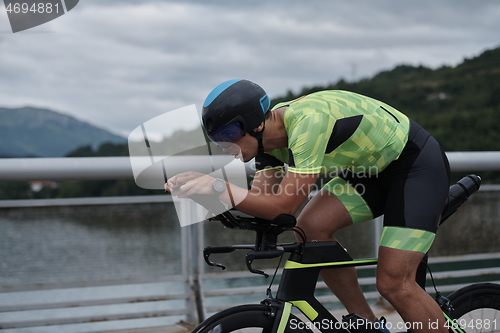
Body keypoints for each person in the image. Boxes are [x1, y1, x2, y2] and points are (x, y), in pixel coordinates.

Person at [165, 79, 451, 333]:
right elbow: (264, 207)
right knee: (310, 229)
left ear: (256, 123)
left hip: (414, 165)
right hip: (369, 172)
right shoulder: (267, 145)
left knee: (393, 283)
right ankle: (366, 323)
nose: (222, 144)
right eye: (216, 139)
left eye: (228, 134)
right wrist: (206, 196)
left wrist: (217, 186)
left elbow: (284, 206)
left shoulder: (306, 123)